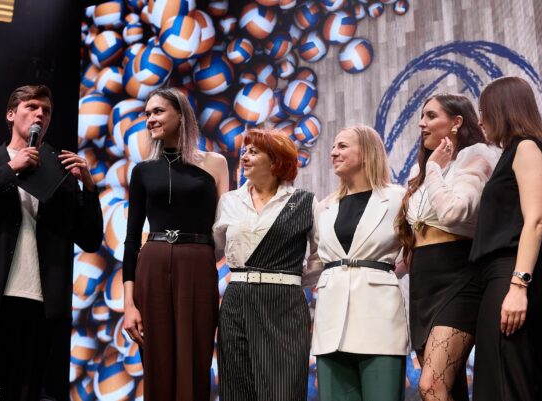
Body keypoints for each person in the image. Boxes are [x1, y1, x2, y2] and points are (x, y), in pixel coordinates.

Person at [0, 84, 103, 401]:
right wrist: (10, 169)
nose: (40, 114)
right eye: (31, 107)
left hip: (37, 303)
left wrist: (89, 188)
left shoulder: (61, 173)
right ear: (11, 115)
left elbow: (90, 239)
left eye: (46, 110)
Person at [121, 87, 229, 401]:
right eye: (147, 114)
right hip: (152, 266)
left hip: (198, 264)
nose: (150, 119)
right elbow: (131, 238)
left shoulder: (215, 163)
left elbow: (225, 226)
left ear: (180, 114)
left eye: (158, 111)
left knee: (195, 358)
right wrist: (128, 305)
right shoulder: (142, 171)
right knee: (157, 361)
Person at [394, 93, 500, 401]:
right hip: (423, 285)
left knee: (431, 385)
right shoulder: (420, 173)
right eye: (421, 116)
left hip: (459, 278)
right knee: (447, 389)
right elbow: (415, 238)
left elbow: (455, 212)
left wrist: (434, 171)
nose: (421, 123)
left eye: (430, 116)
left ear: (456, 122)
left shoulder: (476, 155)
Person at [470, 77, 542, 401]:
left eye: (484, 110)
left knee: (504, 388)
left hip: (512, 278)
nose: (480, 121)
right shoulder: (515, 151)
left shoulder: (526, 147)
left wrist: (518, 286)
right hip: (507, 279)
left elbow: (535, 221)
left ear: (503, 109)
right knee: (533, 387)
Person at [213, 128, 318, 401]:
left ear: (275, 161)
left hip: (284, 304)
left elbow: (320, 257)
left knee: (283, 390)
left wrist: (291, 279)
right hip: (237, 303)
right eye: (244, 151)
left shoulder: (304, 202)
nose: (244, 157)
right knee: (237, 390)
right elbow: (215, 248)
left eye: (253, 152)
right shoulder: (229, 202)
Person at [309, 126, 407, 401]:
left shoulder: (398, 198)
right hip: (331, 323)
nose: (333, 152)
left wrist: (388, 273)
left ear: (366, 152)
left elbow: (415, 249)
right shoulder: (324, 207)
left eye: (342, 146)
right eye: (333, 147)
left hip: (379, 318)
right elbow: (317, 258)